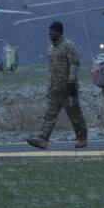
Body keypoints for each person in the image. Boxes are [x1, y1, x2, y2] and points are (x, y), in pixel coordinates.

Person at [26, 21, 87, 149]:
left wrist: (71, 81)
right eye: (49, 32)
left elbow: (74, 64)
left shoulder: (68, 46)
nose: (50, 34)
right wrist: (49, 86)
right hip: (54, 89)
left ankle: (82, 138)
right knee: (49, 115)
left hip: (67, 88)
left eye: (52, 32)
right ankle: (42, 139)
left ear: (59, 32)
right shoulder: (51, 49)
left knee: (75, 114)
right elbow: (51, 69)